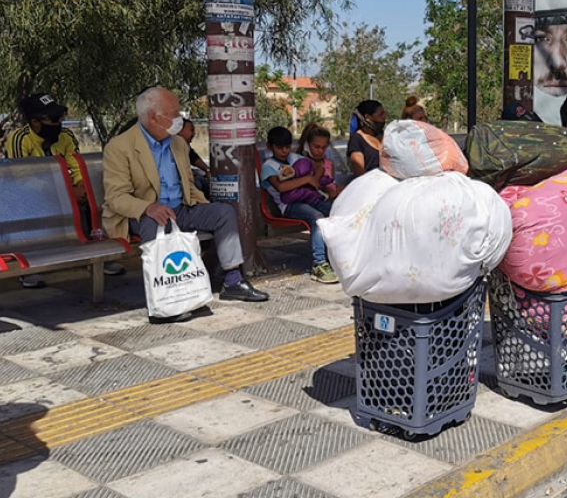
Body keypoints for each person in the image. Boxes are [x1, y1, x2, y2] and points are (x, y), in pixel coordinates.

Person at [102, 87, 268, 322]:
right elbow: (116, 197)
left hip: (181, 209)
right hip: (142, 215)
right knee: (156, 222)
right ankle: (163, 303)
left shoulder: (178, 145)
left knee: (223, 213)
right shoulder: (120, 147)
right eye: (173, 113)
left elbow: (188, 186)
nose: (179, 117)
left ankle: (232, 281)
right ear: (153, 117)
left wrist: (203, 205)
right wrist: (148, 207)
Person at [4, 93, 111, 287]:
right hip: (32, 196)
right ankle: (29, 265)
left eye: (60, 117)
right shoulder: (19, 139)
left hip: (65, 193)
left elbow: (77, 165)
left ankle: (101, 254)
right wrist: (67, 192)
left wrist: (80, 186)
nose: (59, 122)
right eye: (53, 118)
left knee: (94, 198)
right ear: (35, 122)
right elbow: (22, 177)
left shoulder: (66, 136)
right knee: (29, 204)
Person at [263, 126, 335, 283]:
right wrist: (306, 179)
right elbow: (281, 187)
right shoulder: (268, 166)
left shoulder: (296, 159)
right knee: (317, 218)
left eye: (287, 147)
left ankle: (338, 255)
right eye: (279, 147)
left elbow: (316, 179)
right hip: (288, 206)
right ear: (270, 147)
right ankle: (319, 263)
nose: (284, 151)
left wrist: (315, 176)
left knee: (337, 211)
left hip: (310, 198)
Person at [347, 100, 385, 178]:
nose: (384, 117)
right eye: (380, 115)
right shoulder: (357, 140)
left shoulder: (385, 136)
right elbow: (359, 172)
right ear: (367, 117)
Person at [178, 118, 211, 197]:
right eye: (191, 130)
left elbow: (194, 158)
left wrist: (207, 170)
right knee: (198, 183)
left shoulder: (186, 146)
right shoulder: (172, 146)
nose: (194, 133)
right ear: (179, 130)